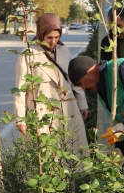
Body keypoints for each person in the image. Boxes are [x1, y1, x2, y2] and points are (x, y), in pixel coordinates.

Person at [14, 13, 89, 153]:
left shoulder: (64, 50)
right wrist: (20, 120)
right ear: (41, 34)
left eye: (56, 37)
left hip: (68, 111)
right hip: (42, 116)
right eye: (49, 38)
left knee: (72, 155)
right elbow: (20, 90)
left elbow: (73, 80)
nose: (53, 42)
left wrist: (82, 103)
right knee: (46, 157)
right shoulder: (28, 55)